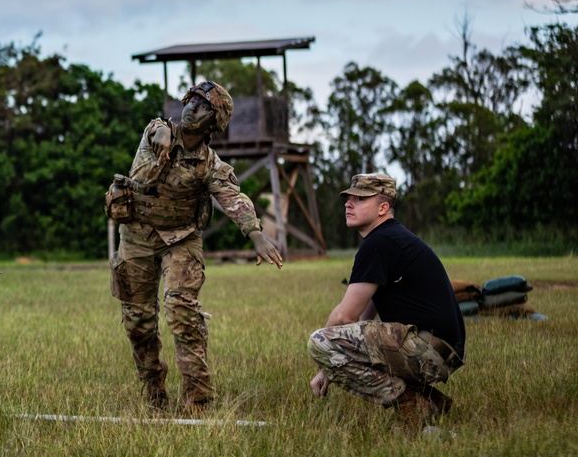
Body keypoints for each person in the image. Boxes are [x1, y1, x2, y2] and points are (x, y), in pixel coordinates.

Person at [107, 80, 283, 413]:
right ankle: (154, 394)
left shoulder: (209, 163)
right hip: (137, 237)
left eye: (204, 108)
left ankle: (197, 399)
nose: (193, 109)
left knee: (181, 308)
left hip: (182, 238)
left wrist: (254, 233)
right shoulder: (157, 131)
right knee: (138, 323)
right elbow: (155, 130)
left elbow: (232, 196)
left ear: (214, 124)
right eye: (192, 102)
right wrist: (160, 135)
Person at [307, 173, 465, 429]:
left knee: (319, 341)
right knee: (336, 341)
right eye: (348, 199)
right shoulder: (390, 239)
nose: (348, 204)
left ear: (383, 208)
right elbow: (362, 316)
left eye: (359, 199)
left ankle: (411, 404)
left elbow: (344, 317)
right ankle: (431, 401)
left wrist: (325, 355)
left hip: (428, 350)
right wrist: (330, 366)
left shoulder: (380, 242)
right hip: (441, 351)